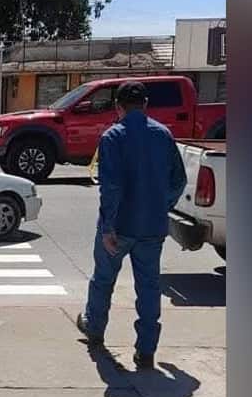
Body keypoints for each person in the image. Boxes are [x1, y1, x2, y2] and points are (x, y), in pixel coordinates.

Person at [76, 81, 187, 370]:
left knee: (103, 279)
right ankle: (146, 350)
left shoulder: (113, 136)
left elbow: (110, 187)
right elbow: (179, 181)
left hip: (120, 226)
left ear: (118, 106)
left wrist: (108, 228)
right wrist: (161, 205)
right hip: (152, 226)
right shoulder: (163, 135)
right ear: (146, 104)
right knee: (148, 287)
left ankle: (95, 330)